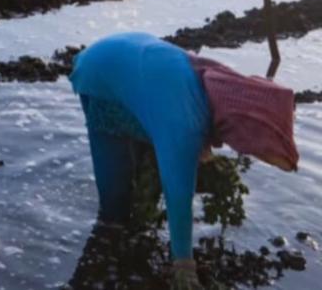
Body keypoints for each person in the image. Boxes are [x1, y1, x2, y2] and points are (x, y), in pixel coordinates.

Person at [71, 32, 299, 290]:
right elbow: (178, 194)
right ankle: (106, 248)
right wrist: (183, 264)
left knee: (155, 143)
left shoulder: (220, 85)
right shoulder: (184, 122)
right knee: (115, 205)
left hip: (134, 62)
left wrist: (196, 151)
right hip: (100, 74)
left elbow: (193, 114)